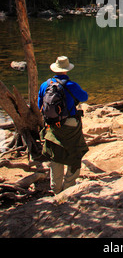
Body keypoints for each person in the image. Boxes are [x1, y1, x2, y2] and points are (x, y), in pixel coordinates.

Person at [38, 56, 89, 194]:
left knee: (56, 155)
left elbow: (40, 105)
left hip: (53, 126)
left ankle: (56, 189)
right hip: (70, 124)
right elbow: (85, 97)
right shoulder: (71, 85)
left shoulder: (45, 85)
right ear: (66, 70)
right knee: (75, 152)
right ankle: (69, 186)